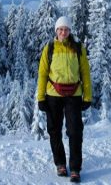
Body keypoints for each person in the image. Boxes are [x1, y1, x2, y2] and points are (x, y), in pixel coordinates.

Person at [36, 16, 92, 183]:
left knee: (75, 131)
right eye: (60, 29)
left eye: (66, 29)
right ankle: (60, 163)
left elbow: (85, 73)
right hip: (53, 95)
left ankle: (75, 168)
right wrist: (41, 97)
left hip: (74, 95)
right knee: (54, 130)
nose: (63, 32)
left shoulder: (78, 48)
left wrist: (87, 96)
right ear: (56, 31)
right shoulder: (50, 48)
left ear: (70, 31)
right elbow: (43, 73)